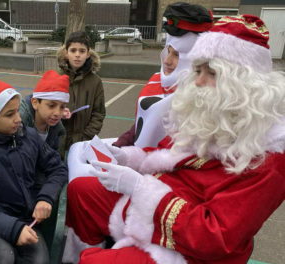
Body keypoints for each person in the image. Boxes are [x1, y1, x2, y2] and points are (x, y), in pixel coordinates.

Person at [65, 15, 285, 264]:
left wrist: (139, 188)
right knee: (81, 189)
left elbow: (215, 238)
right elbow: (167, 153)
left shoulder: (269, 154)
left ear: (245, 84)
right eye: (198, 70)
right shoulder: (215, 113)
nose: (198, 82)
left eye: (211, 73)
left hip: (191, 249)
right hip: (159, 202)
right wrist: (128, 157)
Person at [0, 78, 68, 263]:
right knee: (3, 258)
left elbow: (57, 168)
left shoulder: (29, 136)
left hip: (25, 220)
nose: (18, 119)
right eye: (9, 114)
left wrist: (45, 197)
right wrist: (14, 229)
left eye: (17, 111)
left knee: (39, 261)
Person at [113, 2, 213, 148]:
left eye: (177, 55)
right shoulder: (156, 80)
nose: (167, 61)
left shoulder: (207, 99)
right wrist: (122, 143)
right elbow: (143, 125)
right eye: (168, 51)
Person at [57, 31, 106, 151]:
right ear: (66, 53)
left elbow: (98, 114)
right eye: (73, 50)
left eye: (82, 51)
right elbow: (46, 107)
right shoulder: (56, 77)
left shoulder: (95, 82)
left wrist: (86, 137)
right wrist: (59, 114)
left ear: (88, 54)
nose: (77, 55)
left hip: (84, 142)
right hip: (58, 141)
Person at [19, 69, 69, 153]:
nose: (57, 113)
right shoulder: (19, 123)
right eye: (51, 105)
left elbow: (56, 160)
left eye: (62, 107)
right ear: (35, 103)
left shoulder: (59, 131)